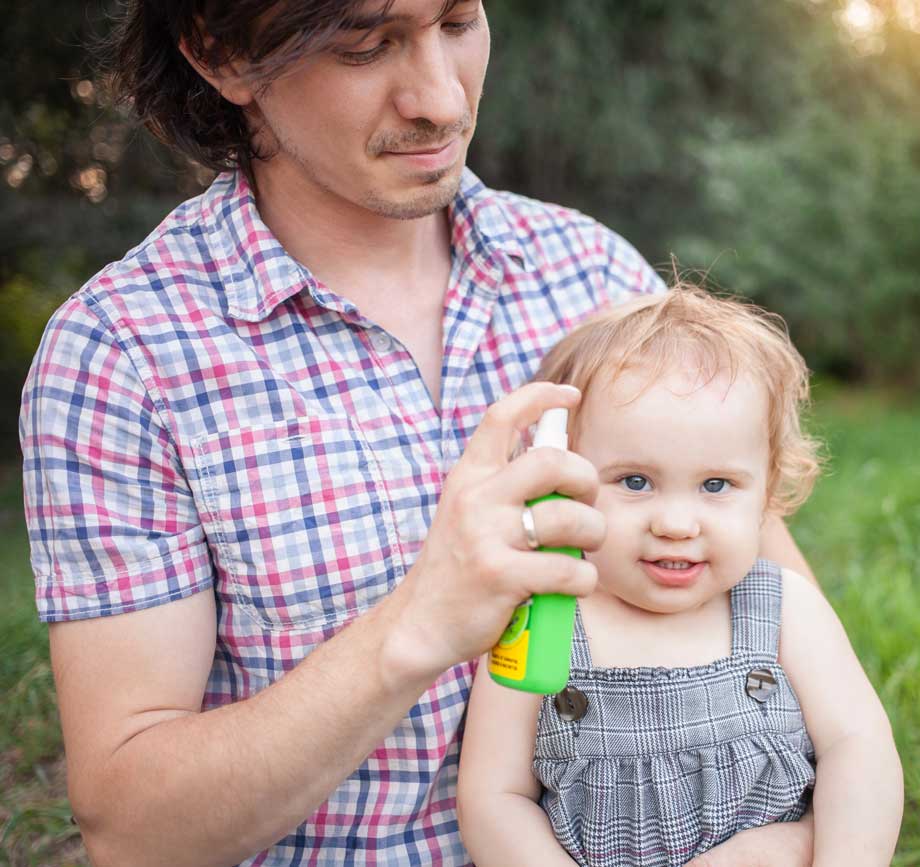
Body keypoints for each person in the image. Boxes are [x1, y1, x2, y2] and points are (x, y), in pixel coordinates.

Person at [18, 1, 825, 864]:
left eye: (458, 21)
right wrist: (419, 622)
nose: (441, 101)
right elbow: (134, 832)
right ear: (221, 56)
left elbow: (781, 622)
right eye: (366, 47)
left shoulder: (591, 276)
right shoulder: (123, 356)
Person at [457, 286, 904, 866]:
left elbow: (858, 746)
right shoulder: (539, 618)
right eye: (635, 482)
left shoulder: (784, 610)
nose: (674, 523)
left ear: (767, 494)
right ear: (561, 482)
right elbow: (495, 797)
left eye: (716, 485)